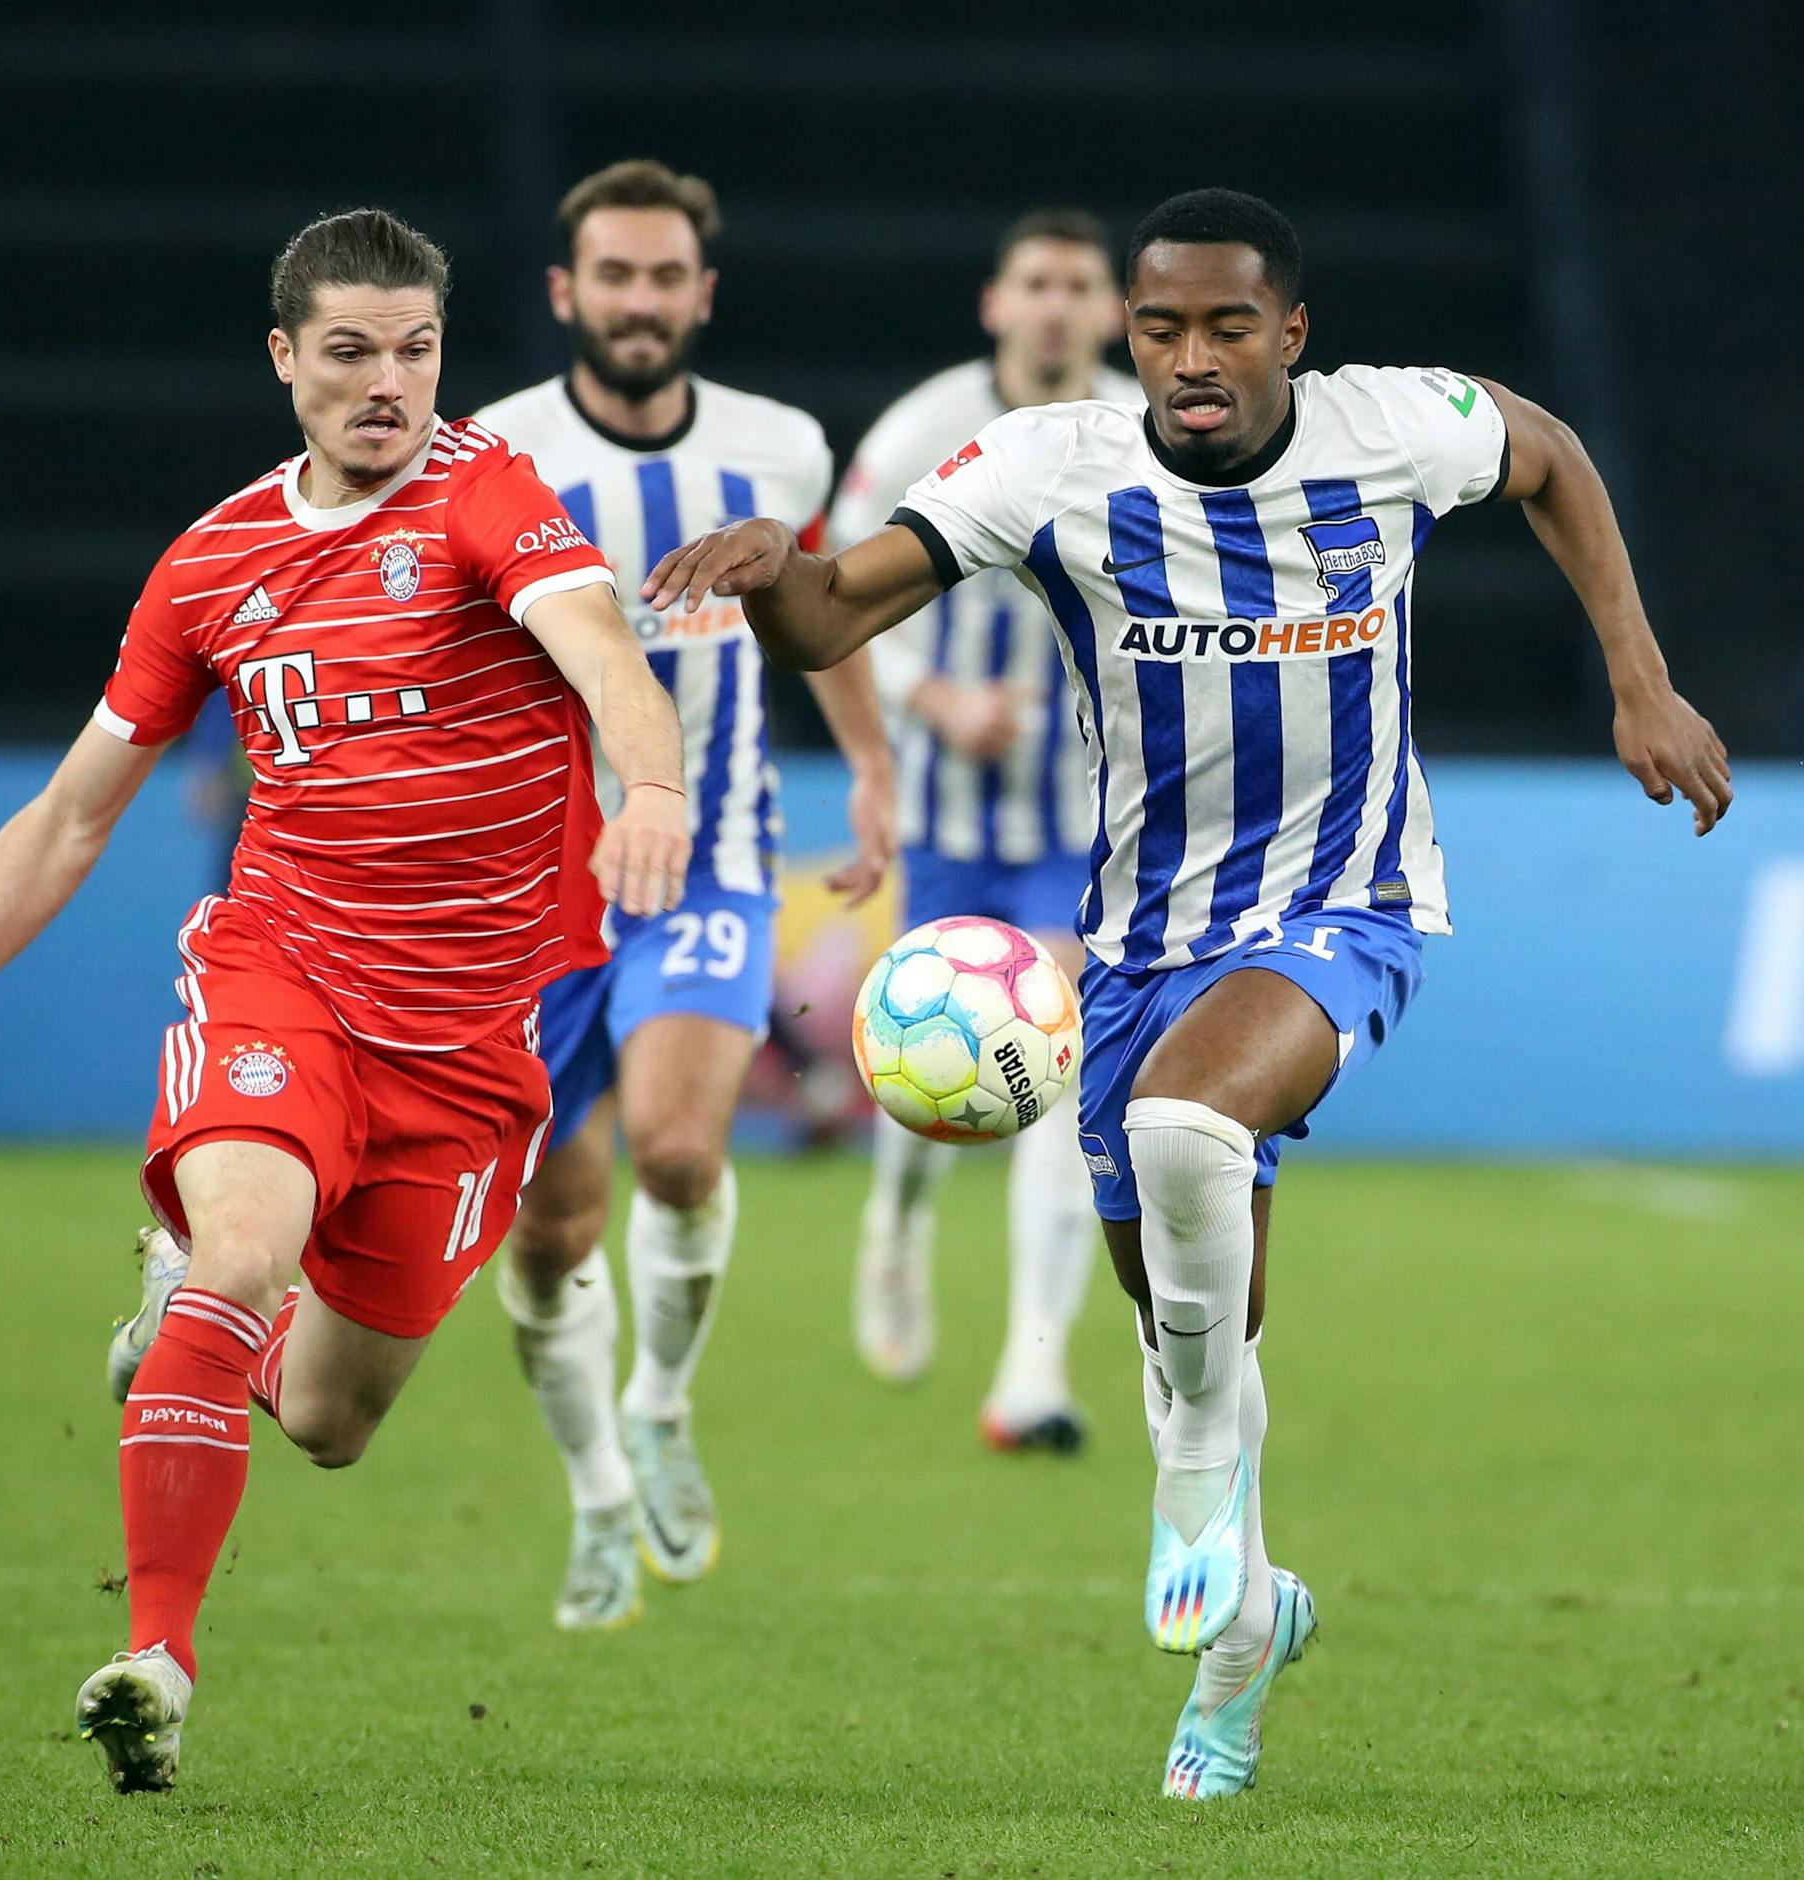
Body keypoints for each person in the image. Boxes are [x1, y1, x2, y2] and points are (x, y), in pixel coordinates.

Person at [637, 187, 1732, 1799]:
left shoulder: (1389, 433)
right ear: (1127, 335)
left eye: (1229, 326)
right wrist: (770, 572)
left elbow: (1551, 456)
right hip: (1141, 943)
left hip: (1346, 904)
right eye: (1162, 329)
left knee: (1185, 1133)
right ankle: (1244, 1640)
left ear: (1293, 331)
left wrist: (1640, 680)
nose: (1193, 357)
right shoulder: (1051, 468)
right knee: (1186, 1328)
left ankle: (1195, 1487)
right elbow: (840, 612)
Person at [0, 208, 691, 1794]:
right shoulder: (213, 563)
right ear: (284, 358)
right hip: (284, 979)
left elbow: (601, 649)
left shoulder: (486, 494)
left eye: (415, 350)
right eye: (349, 352)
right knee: (243, 1251)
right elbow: (72, 814)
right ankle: (157, 1660)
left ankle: (200, 1318)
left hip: (468, 1050)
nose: (387, 383)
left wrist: (656, 785)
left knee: (332, 1420)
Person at [475, 161, 895, 1631]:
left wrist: (873, 769)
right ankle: (597, 1492)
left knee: (672, 1149)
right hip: (538, 891)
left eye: (665, 277)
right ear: (566, 291)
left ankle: (658, 1403)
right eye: (615, 275)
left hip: (713, 856)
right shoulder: (497, 454)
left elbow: (819, 615)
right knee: (549, 1230)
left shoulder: (778, 449)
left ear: (702, 293)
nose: (640, 301)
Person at [830, 208, 1135, 1451]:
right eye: (1035, 282)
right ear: (995, 303)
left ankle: (1029, 1371)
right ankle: (897, 1221)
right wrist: (932, 699)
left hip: (1083, 819)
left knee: (1054, 1065)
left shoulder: (1140, 430)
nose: (1056, 305)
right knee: (925, 1065)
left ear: (1111, 311)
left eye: (1078, 284)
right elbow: (836, 589)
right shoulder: (921, 428)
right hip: (947, 816)